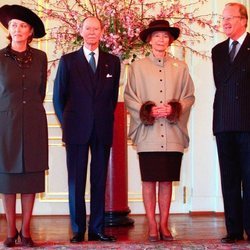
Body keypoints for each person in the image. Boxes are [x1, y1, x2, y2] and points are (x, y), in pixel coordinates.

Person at [124, 20, 195, 241]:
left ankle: (164, 224)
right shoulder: (137, 67)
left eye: (165, 36)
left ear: (170, 40)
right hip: (148, 133)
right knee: (149, 180)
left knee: (166, 181)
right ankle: (152, 225)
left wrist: (174, 107)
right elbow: (129, 96)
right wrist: (148, 109)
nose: (161, 40)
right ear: (149, 40)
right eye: (157, 36)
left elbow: (189, 96)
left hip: (173, 132)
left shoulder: (181, 67)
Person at [53, 16, 120, 243]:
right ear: (81, 31)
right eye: (87, 28)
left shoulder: (113, 61)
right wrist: (69, 124)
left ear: (102, 32)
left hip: (102, 129)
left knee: (99, 181)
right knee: (76, 181)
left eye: (96, 28)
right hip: (76, 130)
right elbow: (58, 98)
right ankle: (78, 229)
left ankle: (97, 229)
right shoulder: (68, 61)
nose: (92, 32)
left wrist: (101, 118)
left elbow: (111, 99)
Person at [0, 4, 48, 248]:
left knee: (30, 179)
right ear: (9, 29)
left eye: (23, 26)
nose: (17, 29)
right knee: (8, 180)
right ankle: (10, 231)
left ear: (30, 32)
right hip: (5, 126)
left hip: (33, 123)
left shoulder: (40, 57)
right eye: (14, 25)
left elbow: (41, 91)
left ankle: (26, 231)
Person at [211, 2, 250, 244]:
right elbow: (220, 85)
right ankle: (234, 230)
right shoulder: (217, 50)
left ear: (244, 20)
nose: (225, 22)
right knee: (229, 179)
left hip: (248, 122)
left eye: (230, 18)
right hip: (224, 122)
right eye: (223, 18)